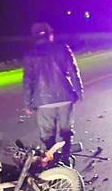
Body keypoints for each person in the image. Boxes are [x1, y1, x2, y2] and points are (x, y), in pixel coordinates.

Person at [22, 23, 84, 166]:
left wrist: (27, 104)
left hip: (43, 102)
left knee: (47, 135)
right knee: (66, 131)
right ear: (50, 34)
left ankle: (53, 163)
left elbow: (28, 81)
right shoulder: (63, 49)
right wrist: (79, 91)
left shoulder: (30, 55)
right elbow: (74, 72)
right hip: (65, 98)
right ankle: (66, 159)